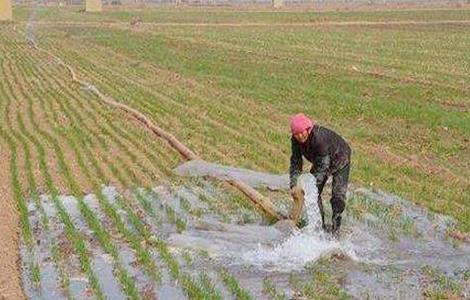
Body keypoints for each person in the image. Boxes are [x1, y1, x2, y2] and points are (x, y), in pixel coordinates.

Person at [288, 113, 351, 234]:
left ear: (308, 129)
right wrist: (293, 184)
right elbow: (296, 162)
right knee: (313, 194)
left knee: (338, 196)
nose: (300, 136)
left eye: (302, 132)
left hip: (341, 157)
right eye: (296, 134)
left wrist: (311, 185)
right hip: (321, 160)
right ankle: (319, 227)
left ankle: (336, 228)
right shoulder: (295, 141)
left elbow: (323, 167)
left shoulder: (318, 139)